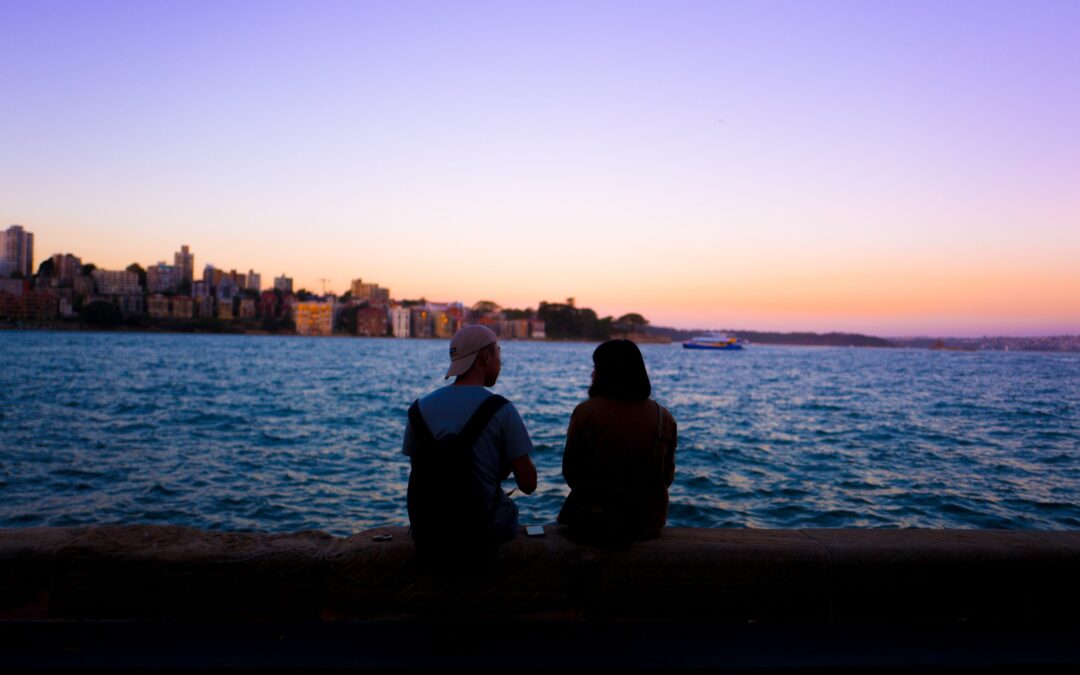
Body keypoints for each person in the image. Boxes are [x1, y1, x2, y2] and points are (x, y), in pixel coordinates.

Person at [402, 324, 537, 550]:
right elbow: (529, 484)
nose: (500, 362)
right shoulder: (503, 409)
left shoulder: (418, 409)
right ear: (485, 357)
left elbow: (423, 469)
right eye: (498, 353)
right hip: (480, 531)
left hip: (428, 531)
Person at [557, 339, 677, 545]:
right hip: (646, 523)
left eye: (596, 368)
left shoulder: (587, 412)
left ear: (607, 373)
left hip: (593, 521)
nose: (592, 374)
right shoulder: (663, 417)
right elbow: (666, 478)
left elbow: (571, 474)